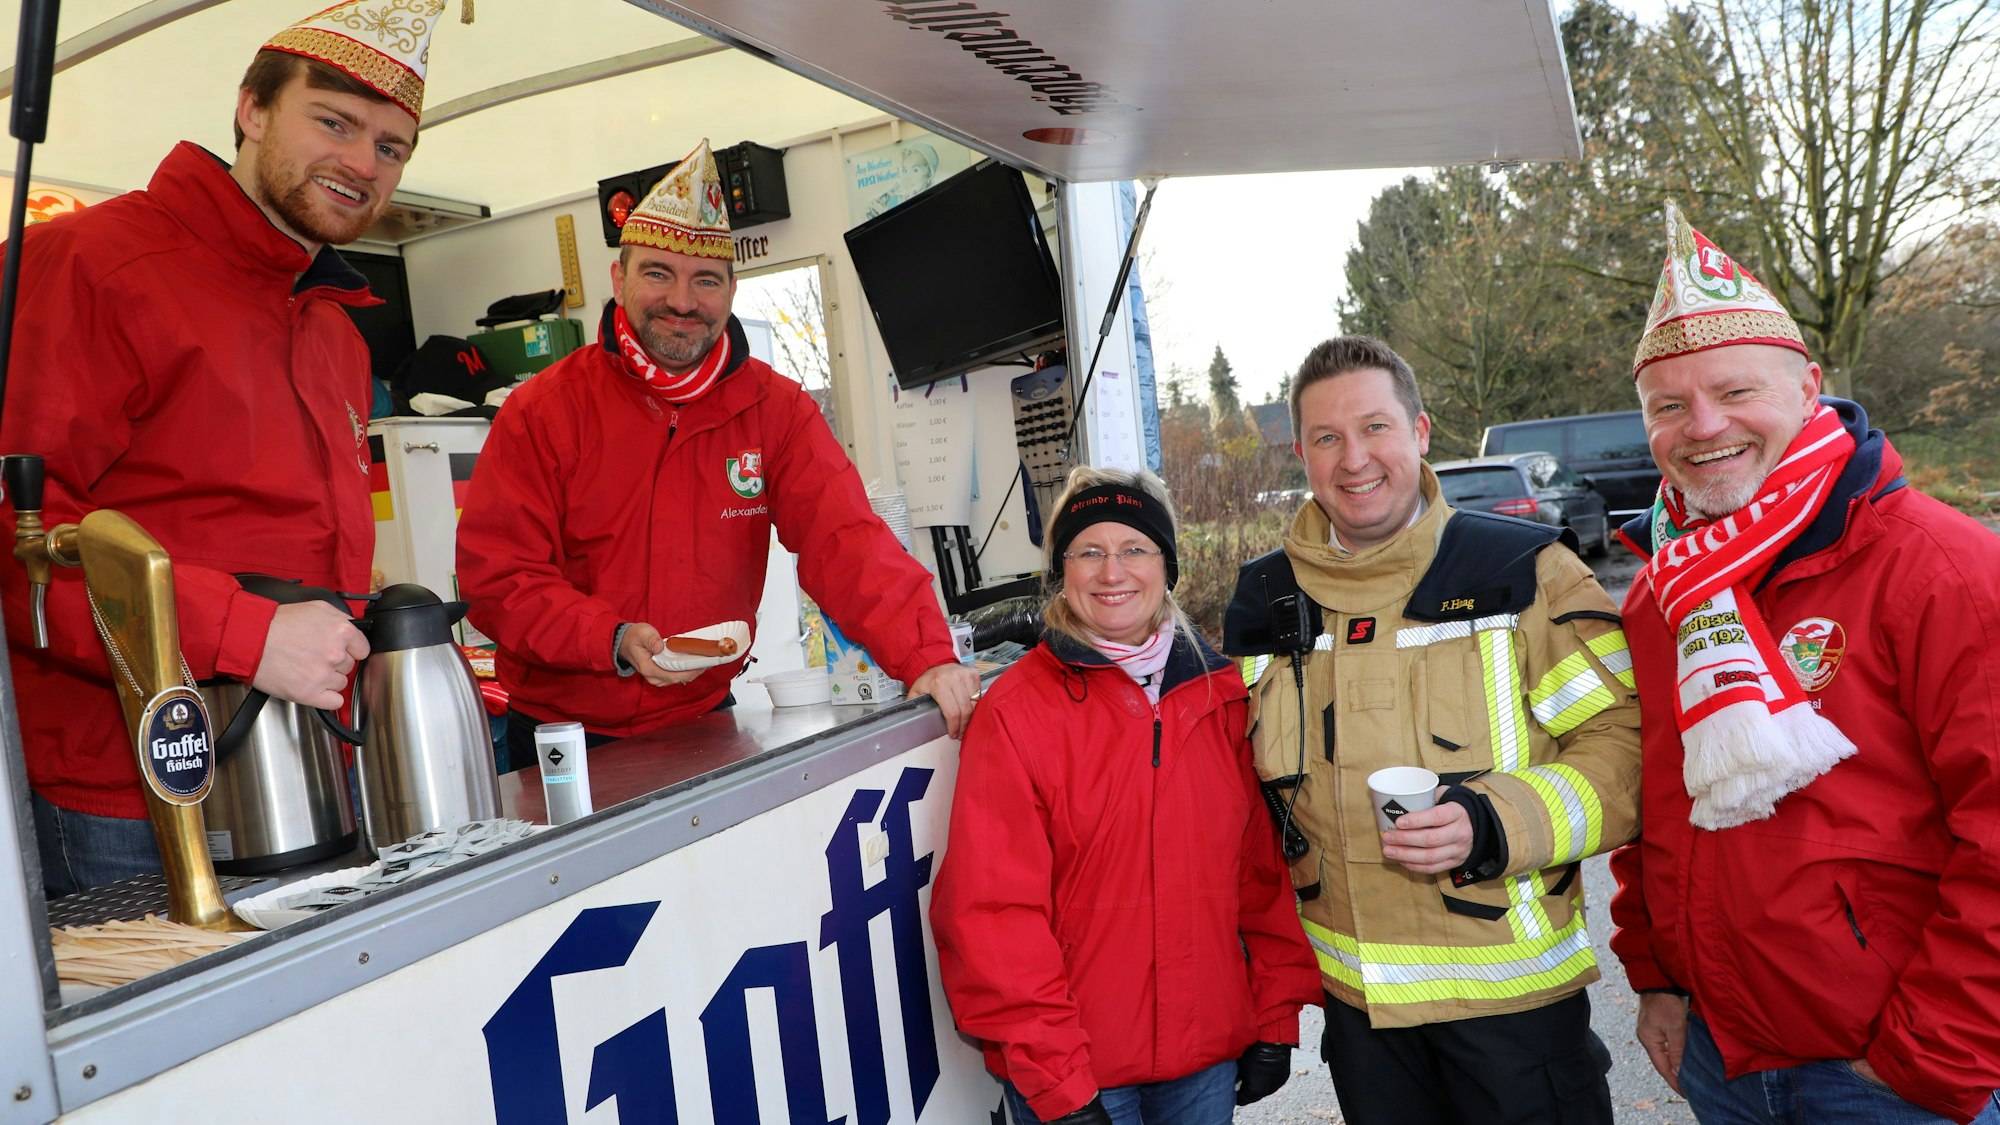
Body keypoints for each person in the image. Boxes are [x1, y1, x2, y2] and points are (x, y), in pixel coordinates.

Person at [0, 1, 452, 895]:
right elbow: (21, 543)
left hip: (304, 774)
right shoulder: (91, 263)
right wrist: (247, 633)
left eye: (392, 147)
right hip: (124, 798)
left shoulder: (335, 328)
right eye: (335, 123)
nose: (364, 163)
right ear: (250, 108)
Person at [1608, 204, 2000, 1124]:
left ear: (1810, 386)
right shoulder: (1660, 592)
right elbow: (1651, 811)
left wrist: (1927, 1054)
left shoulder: (1942, 568)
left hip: (1887, 1072)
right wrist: (1658, 979)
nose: (1703, 426)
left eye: (1735, 391)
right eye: (1669, 405)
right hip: (1721, 1059)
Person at [1221, 334, 1642, 1125]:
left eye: (1375, 427)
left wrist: (1495, 818)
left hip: (1514, 1016)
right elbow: (1236, 803)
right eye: (1326, 437)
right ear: (1302, 458)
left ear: (1418, 433)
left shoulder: (1528, 575)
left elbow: (1626, 749)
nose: (1355, 458)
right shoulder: (1263, 605)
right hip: (1361, 1022)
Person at [455, 139, 978, 758]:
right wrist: (611, 638)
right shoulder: (543, 410)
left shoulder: (774, 409)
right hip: (559, 734)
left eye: (705, 280)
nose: (682, 301)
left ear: (732, 290)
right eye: (658, 273)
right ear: (618, 279)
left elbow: (846, 540)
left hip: (704, 717)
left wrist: (927, 656)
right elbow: (498, 576)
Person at [930, 466, 1320, 1125]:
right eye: (1089, 550)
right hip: (1079, 1073)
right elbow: (992, 913)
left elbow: (1260, 874)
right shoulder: (1018, 710)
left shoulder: (1221, 696)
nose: (1113, 572)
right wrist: (1058, 1081)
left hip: (1203, 1061)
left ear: (1166, 565)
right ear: (1063, 570)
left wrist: (1274, 1013)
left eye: (1135, 548)